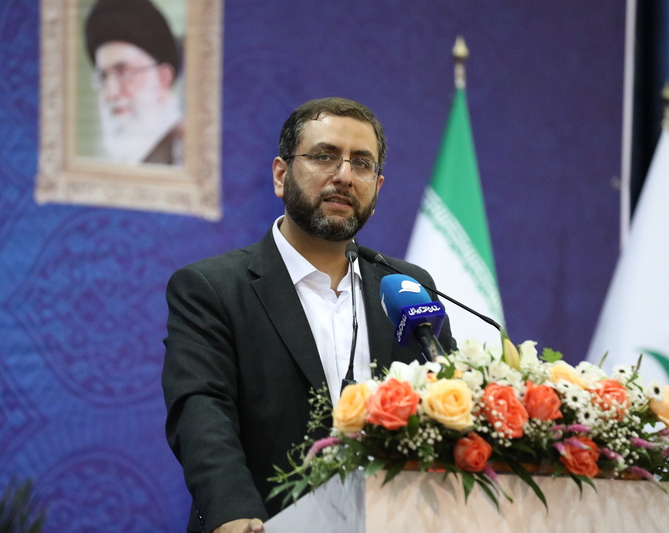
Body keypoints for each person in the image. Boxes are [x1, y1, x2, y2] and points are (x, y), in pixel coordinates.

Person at [162, 97, 455, 533]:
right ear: (281, 175)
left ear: (377, 188)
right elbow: (202, 412)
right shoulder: (213, 289)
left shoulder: (407, 287)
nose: (344, 176)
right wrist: (233, 512)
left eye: (361, 164)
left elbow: (444, 402)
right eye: (324, 156)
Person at [84, 0, 184, 165]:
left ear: (163, 78)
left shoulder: (185, 154)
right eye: (103, 77)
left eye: (124, 72)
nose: (111, 93)